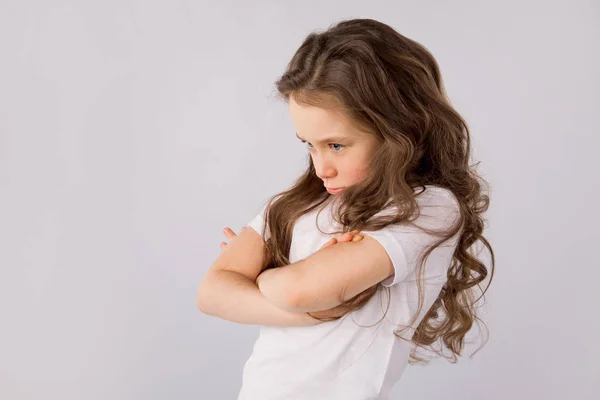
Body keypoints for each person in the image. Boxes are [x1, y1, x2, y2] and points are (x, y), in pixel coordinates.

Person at [197, 17, 495, 400]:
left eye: (336, 145)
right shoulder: (295, 206)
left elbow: (298, 289)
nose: (321, 168)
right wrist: (309, 306)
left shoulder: (427, 208)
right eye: (308, 144)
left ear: (398, 132)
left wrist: (267, 274)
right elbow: (212, 293)